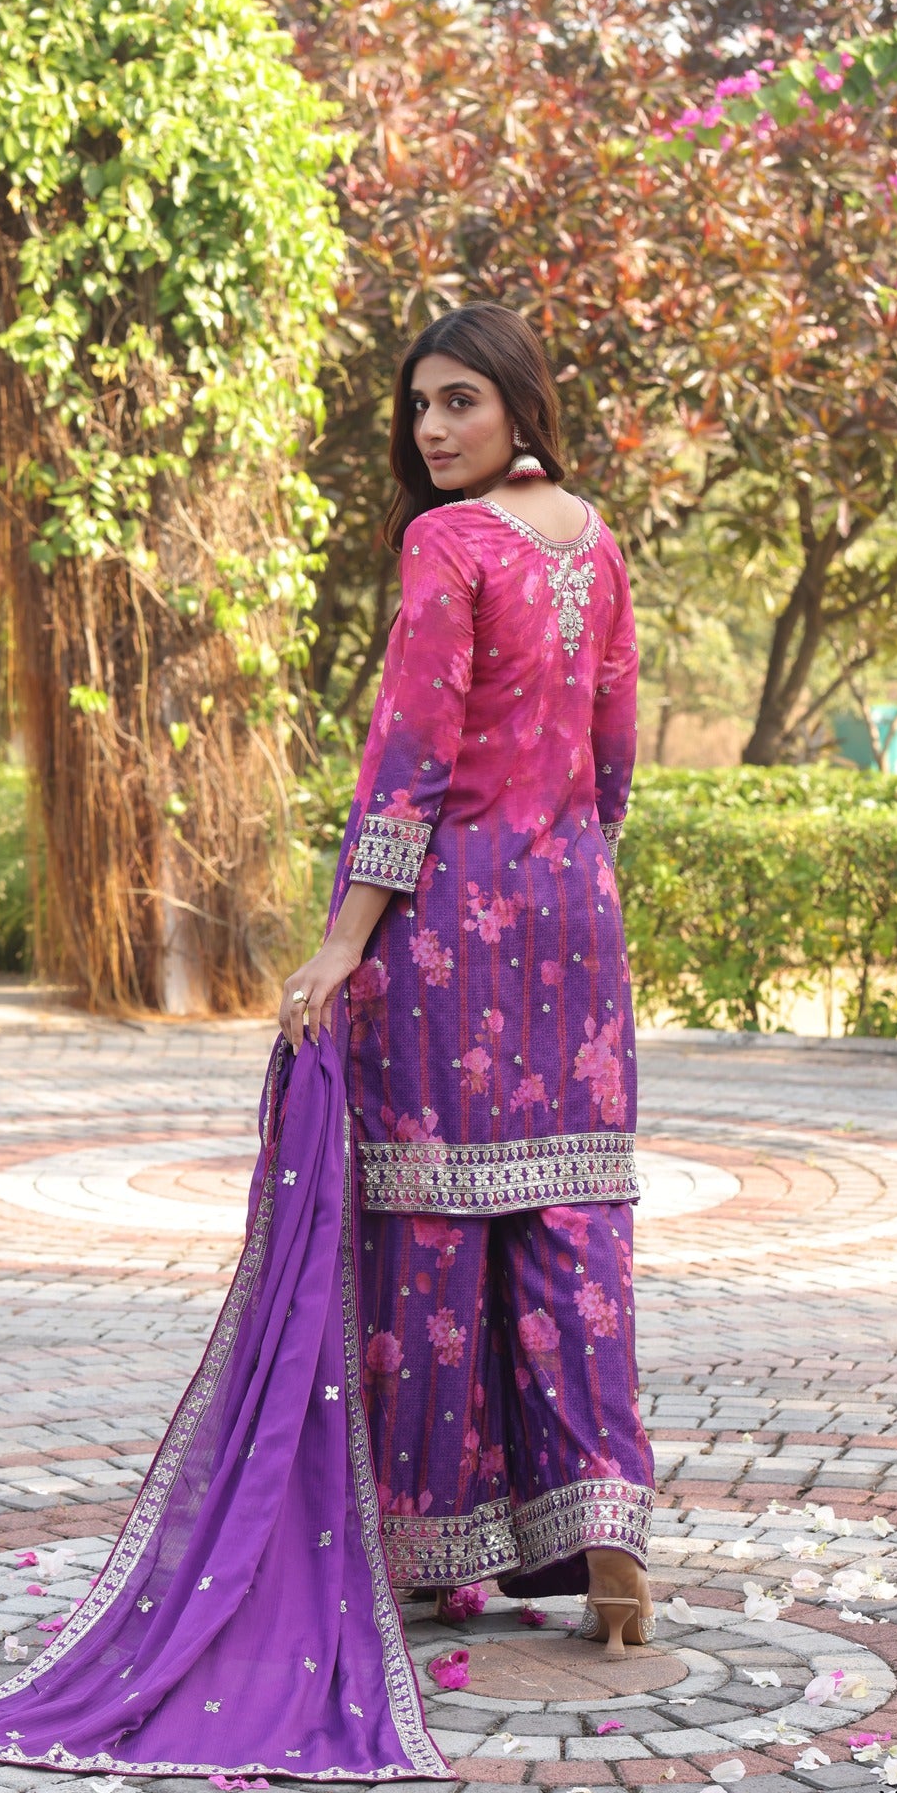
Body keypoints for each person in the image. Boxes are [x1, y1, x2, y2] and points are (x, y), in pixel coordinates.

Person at [279, 303, 656, 1654]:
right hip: (574, 920)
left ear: (516, 404)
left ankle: (431, 1554)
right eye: (420, 406)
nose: (432, 429)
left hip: (448, 927)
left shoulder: (449, 542)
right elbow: (614, 752)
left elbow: (412, 755)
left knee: (433, 1240)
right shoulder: (596, 538)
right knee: (572, 1232)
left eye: (460, 401)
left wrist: (344, 939)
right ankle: (607, 1538)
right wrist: (567, 866)